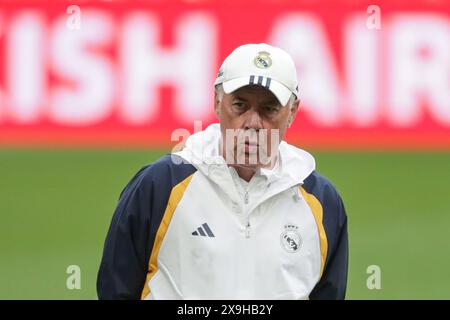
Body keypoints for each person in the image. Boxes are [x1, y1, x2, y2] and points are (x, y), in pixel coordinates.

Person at [97, 43, 348, 300]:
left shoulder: (323, 203)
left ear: (292, 111)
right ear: (217, 102)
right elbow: (115, 289)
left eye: (269, 109)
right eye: (240, 105)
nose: (253, 123)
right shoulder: (160, 185)